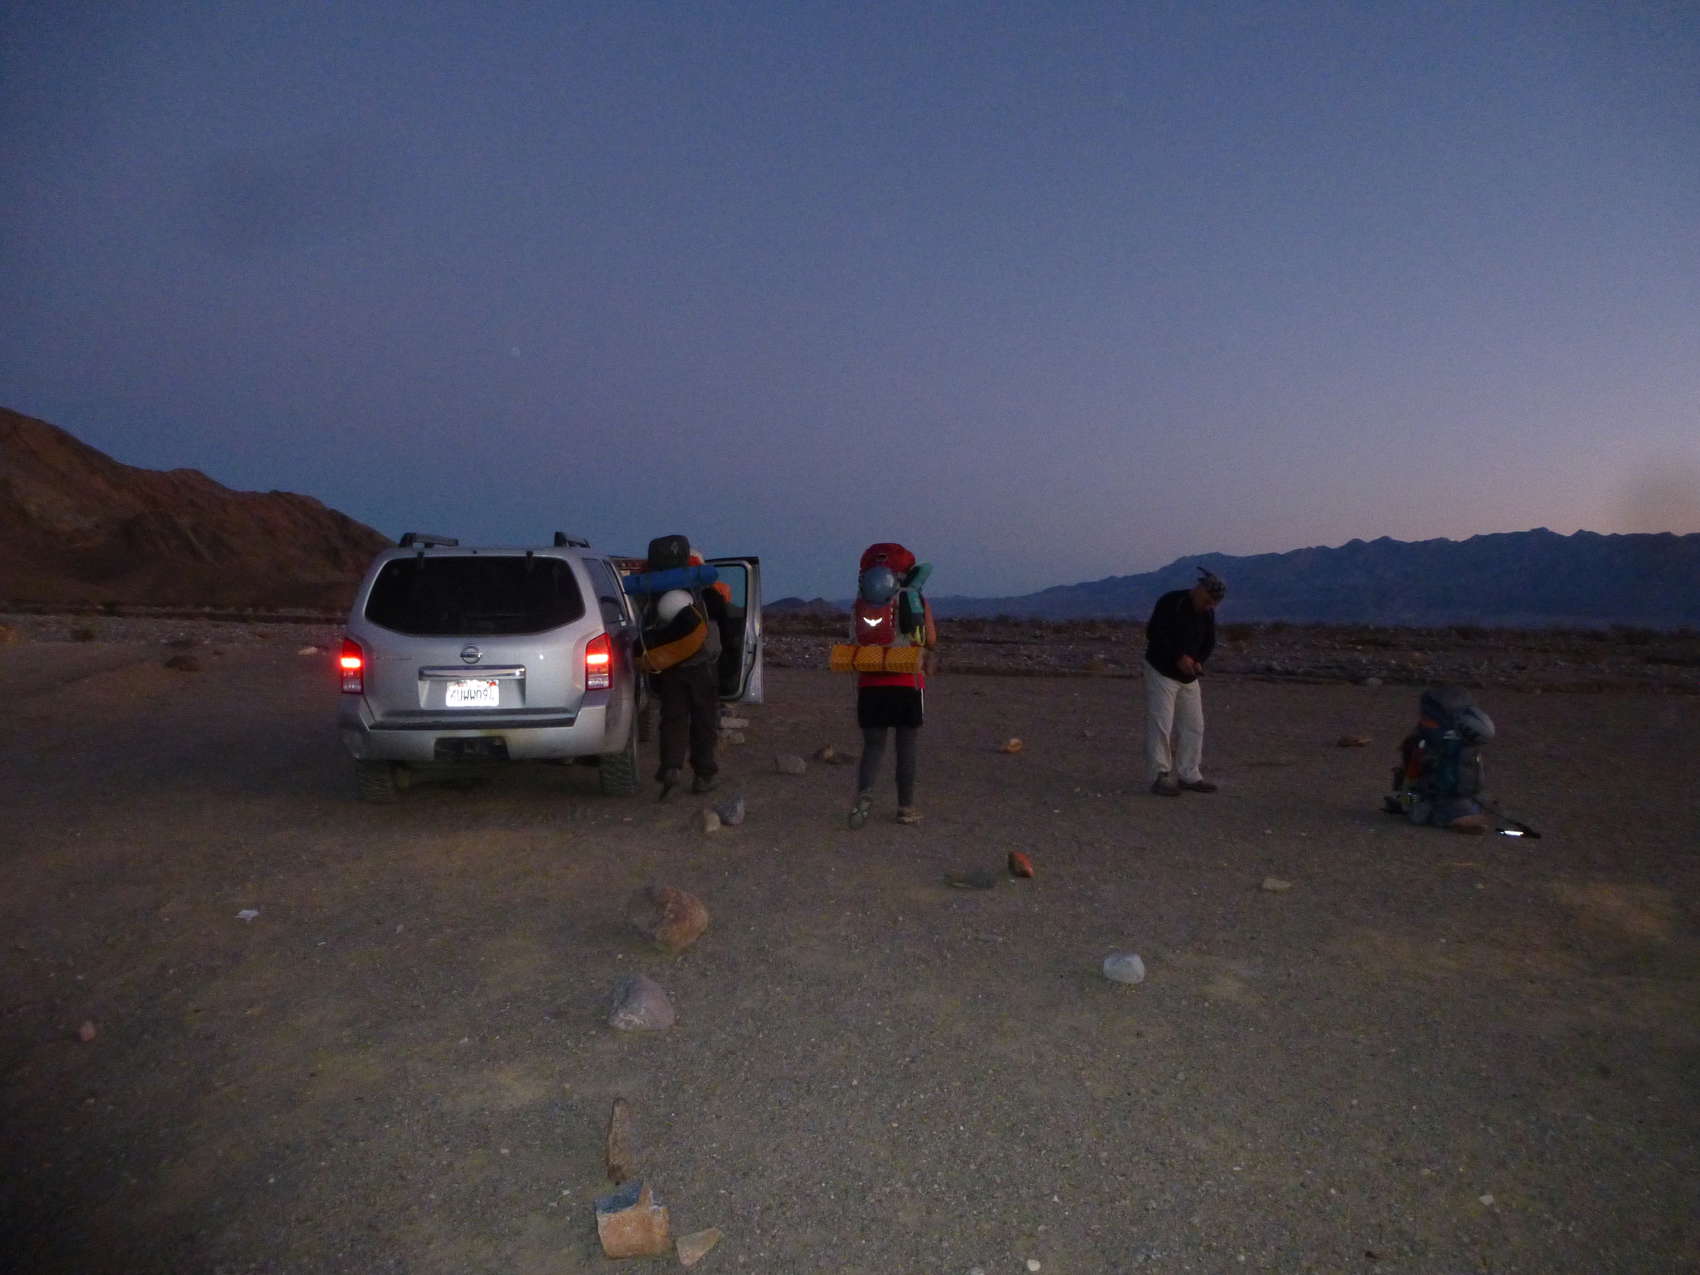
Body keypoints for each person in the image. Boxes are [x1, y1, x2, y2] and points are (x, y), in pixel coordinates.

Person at [847, 543, 936, 829]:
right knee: (906, 746)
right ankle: (905, 808)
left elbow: (853, 640)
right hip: (907, 683)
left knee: (873, 747)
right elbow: (930, 639)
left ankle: (864, 795)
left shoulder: (860, 603)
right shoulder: (914, 599)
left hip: (870, 685)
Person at [640, 536, 725, 800]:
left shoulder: (653, 592)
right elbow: (720, 612)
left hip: (670, 667)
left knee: (673, 719)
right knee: (704, 721)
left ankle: (670, 768)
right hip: (701, 666)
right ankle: (703, 775)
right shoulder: (699, 588)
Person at [1142, 567, 1225, 797]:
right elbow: (1155, 634)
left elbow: (1209, 641)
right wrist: (1178, 657)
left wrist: (1198, 661)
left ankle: (1189, 774)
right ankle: (1159, 775)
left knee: (1194, 725)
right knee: (1161, 723)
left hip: (1188, 677)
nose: (1210, 606)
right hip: (1161, 671)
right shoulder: (1172, 602)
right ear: (1199, 590)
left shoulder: (1207, 613)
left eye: (1214, 603)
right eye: (1208, 600)